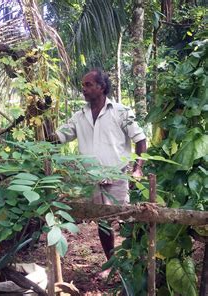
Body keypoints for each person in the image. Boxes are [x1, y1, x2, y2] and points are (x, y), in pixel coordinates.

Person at [53, 69, 147, 268]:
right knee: (103, 223)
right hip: (92, 179)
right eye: (83, 85)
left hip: (117, 176)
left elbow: (141, 140)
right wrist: (40, 119)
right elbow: (58, 137)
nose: (83, 89)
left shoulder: (121, 112)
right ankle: (112, 265)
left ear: (101, 87)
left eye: (88, 85)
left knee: (125, 219)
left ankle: (136, 264)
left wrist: (138, 168)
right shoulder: (79, 116)